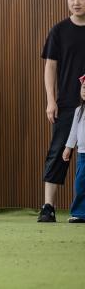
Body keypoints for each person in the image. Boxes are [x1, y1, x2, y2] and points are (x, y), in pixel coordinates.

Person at [38, 0, 85, 223]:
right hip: (66, 102)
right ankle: (48, 206)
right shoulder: (59, 31)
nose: (76, 2)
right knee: (58, 151)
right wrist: (50, 100)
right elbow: (50, 67)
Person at [62, 75, 85, 223]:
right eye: (83, 88)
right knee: (80, 184)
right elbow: (73, 132)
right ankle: (80, 213)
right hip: (82, 155)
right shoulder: (79, 110)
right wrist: (68, 147)